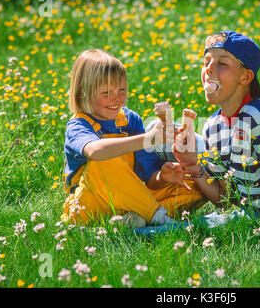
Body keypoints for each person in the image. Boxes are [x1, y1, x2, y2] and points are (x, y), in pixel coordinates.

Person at [174, 31, 260, 224]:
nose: (209, 70)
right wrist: (193, 165)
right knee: (191, 225)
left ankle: (140, 232)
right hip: (245, 216)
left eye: (222, 63)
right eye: (206, 63)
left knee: (190, 228)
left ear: (245, 78)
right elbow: (225, 200)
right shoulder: (212, 127)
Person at [61, 49, 204, 226]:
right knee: (104, 159)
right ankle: (160, 219)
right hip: (89, 207)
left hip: (129, 198)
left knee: (195, 183)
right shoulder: (78, 125)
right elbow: (95, 151)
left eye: (122, 90)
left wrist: (163, 176)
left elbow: (147, 176)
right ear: (84, 92)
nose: (117, 98)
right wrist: (148, 139)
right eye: (106, 93)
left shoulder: (130, 120)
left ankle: (131, 220)